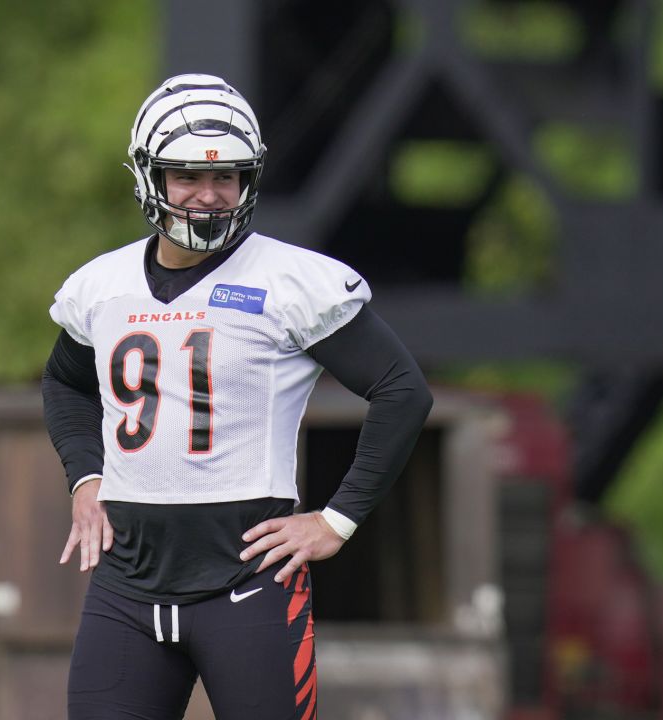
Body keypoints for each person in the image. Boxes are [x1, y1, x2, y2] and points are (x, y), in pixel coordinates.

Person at [41, 73, 433, 720]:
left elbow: (402, 390)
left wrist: (337, 519)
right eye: (187, 176)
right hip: (126, 585)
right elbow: (64, 383)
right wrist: (85, 476)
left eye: (227, 178)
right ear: (149, 177)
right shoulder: (102, 284)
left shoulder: (291, 281)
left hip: (247, 583)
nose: (208, 196)